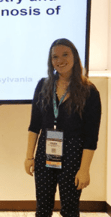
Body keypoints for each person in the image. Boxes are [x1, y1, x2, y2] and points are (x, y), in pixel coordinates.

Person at [24, 38, 101, 217]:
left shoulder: (89, 91)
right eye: (55, 57)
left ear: (75, 56)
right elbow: (34, 125)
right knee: (42, 209)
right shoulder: (43, 86)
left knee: (70, 209)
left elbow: (91, 136)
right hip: (45, 150)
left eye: (65, 54)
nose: (60, 60)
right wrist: (29, 157)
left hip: (73, 152)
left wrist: (84, 169)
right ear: (50, 61)